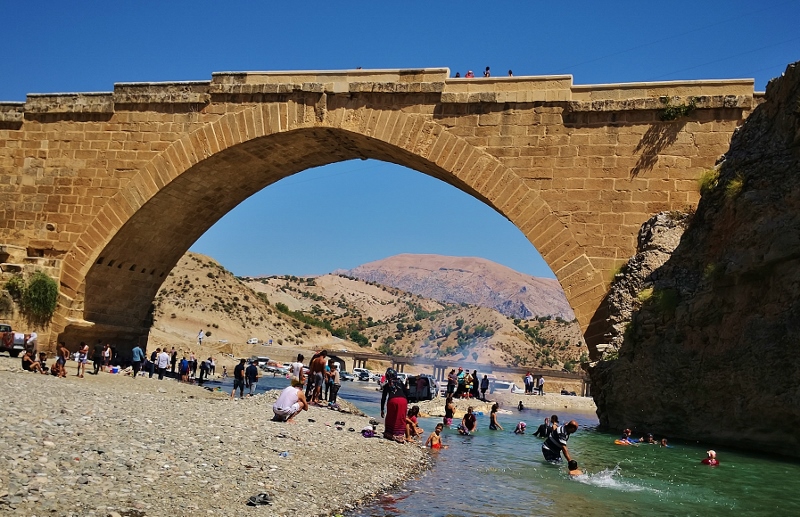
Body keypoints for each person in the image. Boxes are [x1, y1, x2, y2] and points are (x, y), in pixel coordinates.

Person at [380, 368, 410, 443]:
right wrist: (407, 403)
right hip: (403, 401)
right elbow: (407, 393)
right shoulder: (400, 383)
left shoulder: (387, 385)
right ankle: (400, 435)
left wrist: (382, 410)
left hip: (393, 401)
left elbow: (383, 398)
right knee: (401, 418)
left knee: (391, 417)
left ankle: (390, 433)